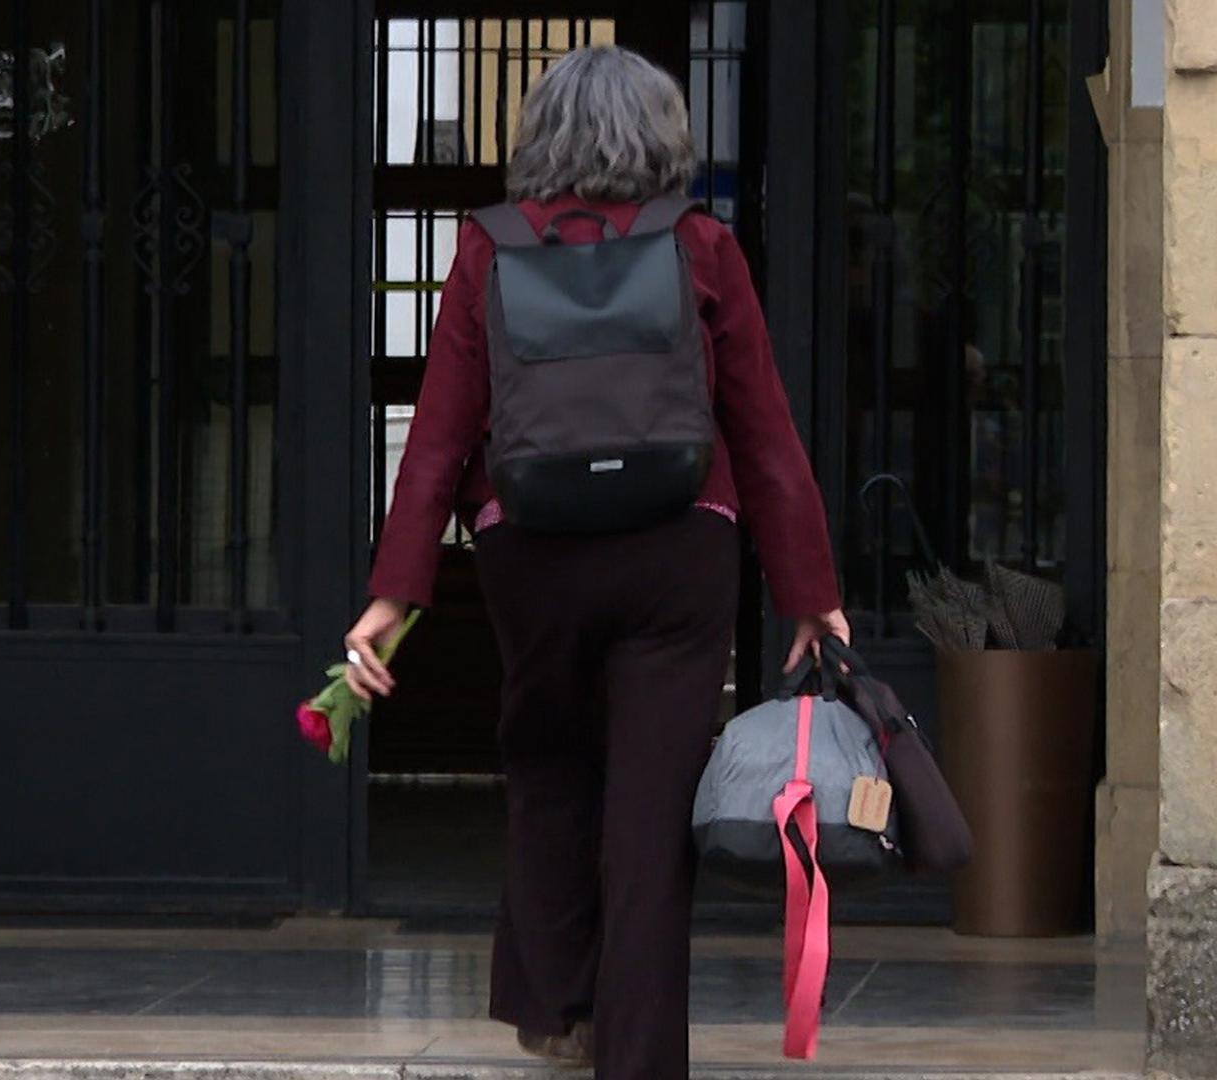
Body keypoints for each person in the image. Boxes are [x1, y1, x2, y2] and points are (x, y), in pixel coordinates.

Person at [344, 45, 848, 1080]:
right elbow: (763, 436)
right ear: (661, 135)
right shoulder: (704, 248)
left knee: (546, 770)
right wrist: (811, 596)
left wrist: (392, 596)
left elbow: (438, 436)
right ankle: (639, 1056)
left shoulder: (488, 250)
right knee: (651, 808)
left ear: (542, 138)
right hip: (678, 551)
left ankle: (556, 1009)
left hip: (533, 554)